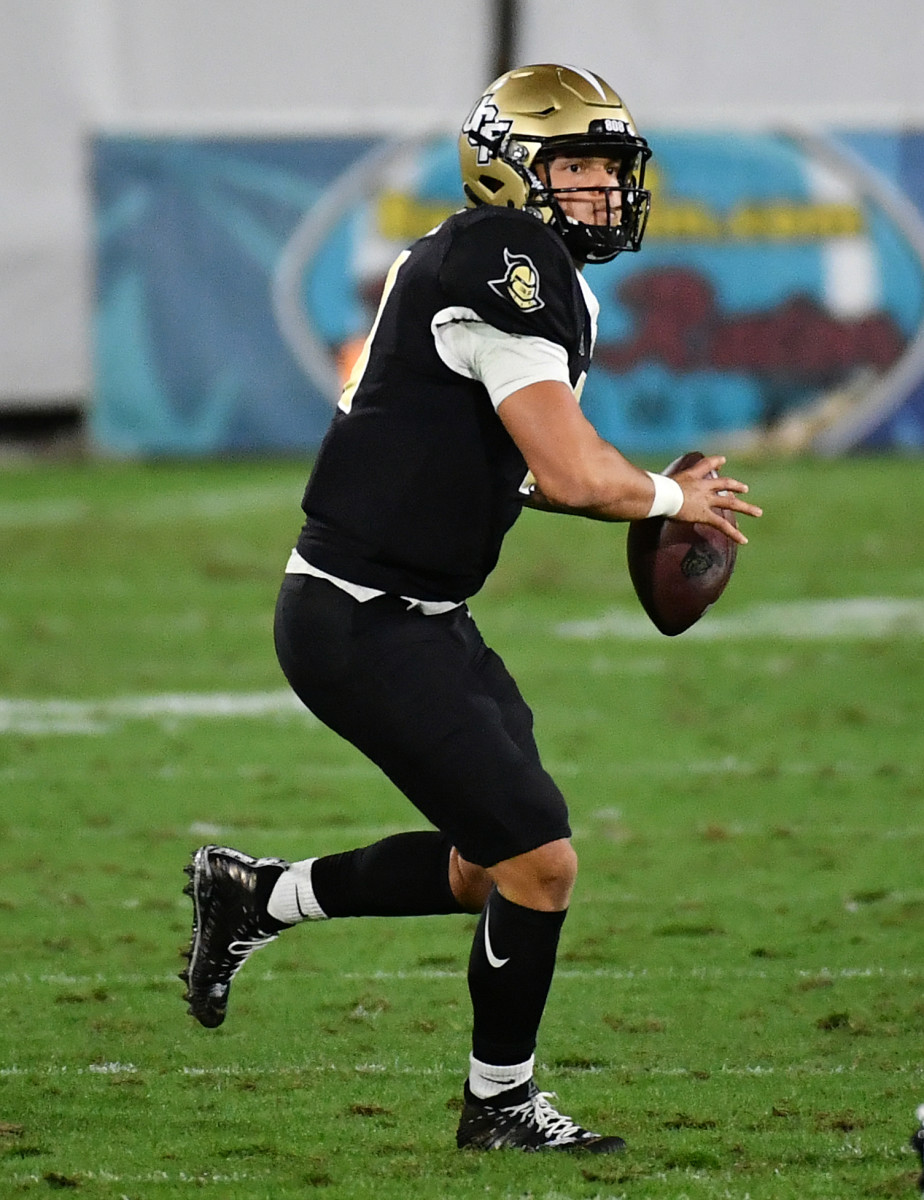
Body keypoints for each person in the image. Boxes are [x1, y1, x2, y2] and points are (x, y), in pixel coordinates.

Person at [180, 63, 762, 1152]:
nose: (600, 188)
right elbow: (577, 474)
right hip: (361, 616)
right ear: (509, 171)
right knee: (540, 860)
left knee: (486, 861)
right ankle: (499, 1104)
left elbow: (516, 466)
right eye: (576, 165)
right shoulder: (508, 262)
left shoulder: (516, 262)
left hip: (419, 614)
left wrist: (629, 495)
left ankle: (259, 897)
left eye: (607, 167)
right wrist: (675, 497)